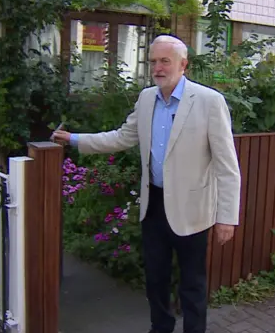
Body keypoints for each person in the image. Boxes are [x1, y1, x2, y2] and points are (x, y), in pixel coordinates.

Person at [52, 34, 241, 333]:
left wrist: (226, 217)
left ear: (183, 65)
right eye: (153, 61)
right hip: (153, 207)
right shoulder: (146, 98)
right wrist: (75, 139)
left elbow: (227, 166)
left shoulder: (209, 102)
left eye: (165, 61)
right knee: (155, 279)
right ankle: (160, 328)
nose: (158, 67)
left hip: (192, 210)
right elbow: (121, 137)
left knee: (192, 285)